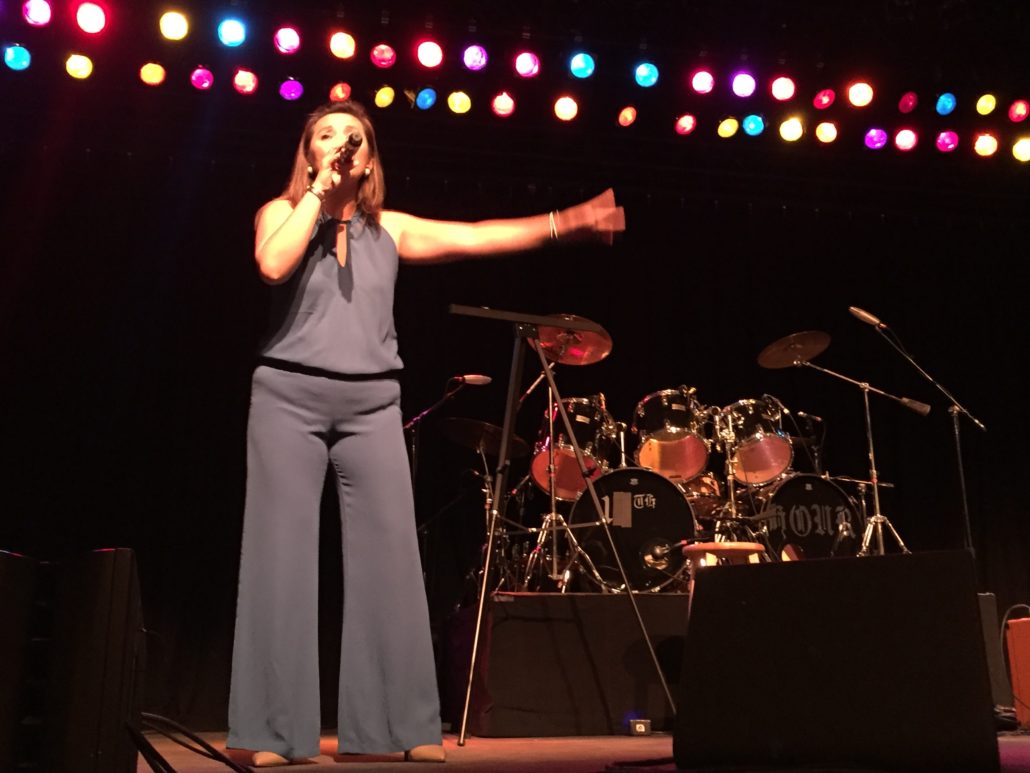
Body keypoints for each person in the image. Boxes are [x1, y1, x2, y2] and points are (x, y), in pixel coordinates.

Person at [227, 99, 625, 767]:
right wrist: (316, 194)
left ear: (370, 159)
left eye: (351, 137)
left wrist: (569, 222)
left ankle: (392, 723)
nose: (338, 142)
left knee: (390, 562)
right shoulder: (279, 211)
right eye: (324, 135)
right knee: (281, 557)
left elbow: (479, 235)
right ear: (309, 153)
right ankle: (272, 729)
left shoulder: (393, 232)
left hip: (372, 404)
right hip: (286, 398)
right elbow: (273, 264)